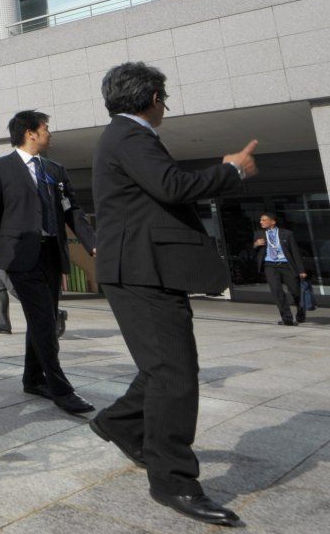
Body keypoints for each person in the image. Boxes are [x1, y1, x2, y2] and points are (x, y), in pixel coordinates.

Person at [91, 62, 257, 527]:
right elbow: (172, 186)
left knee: (164, 368)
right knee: (175, 376)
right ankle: (173, 482)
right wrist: (231, 171)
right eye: (164, 98)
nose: (164, 106)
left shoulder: (126, 136)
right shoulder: (129, 135)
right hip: (140, 270)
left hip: (146, 268)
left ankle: (120, 423)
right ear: (152, 98)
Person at [0, 110, 96, 414]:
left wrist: (93, 244)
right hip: (20, 255)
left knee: (43, 317)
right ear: (30, 132)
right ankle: (60, 388)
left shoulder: (56, 171)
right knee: (45, 320)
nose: (50, 133)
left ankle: (32, 378)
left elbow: (73, 211)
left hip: (52, 254)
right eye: (46, 128)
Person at [254, 213, 307, 325]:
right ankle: (287, 318)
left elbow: (295, 252)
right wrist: (256, 244)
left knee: (295, 291)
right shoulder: (259, 234)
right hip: (270, 265)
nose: (261, 222)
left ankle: (301, 311)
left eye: (264, 220)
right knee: (276, 291)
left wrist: (301, 270)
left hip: (286, 265)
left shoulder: (287, 234)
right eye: (260, 220)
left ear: (272, 222)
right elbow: (255, 252)